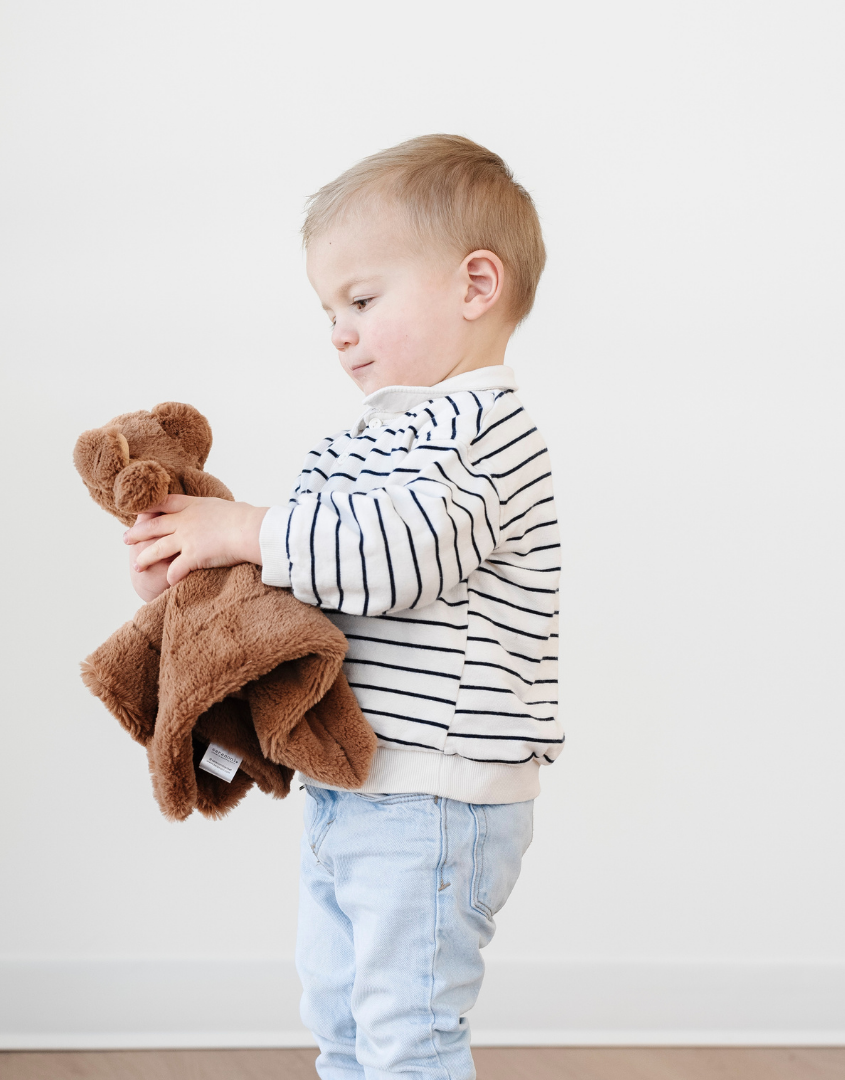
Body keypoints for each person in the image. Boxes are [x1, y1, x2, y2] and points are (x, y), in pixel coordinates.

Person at [124, 134, 563, 1080]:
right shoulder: (364, 442)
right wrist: (190, 574)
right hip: (357, 787)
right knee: (341, 1014)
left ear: (475, 285)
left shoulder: (483, 432)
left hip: (439, 791)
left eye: (362, 300)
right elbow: (301, 578)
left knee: (409, 1029)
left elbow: (392, 558)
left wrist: (242, 526)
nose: (339, 331)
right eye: (328, 310)